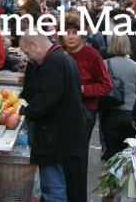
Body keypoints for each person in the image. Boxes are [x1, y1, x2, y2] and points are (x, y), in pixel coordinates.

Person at [18, 34, 88, 202]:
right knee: (56, 185)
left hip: (54, 136)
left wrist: (26, 111)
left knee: (53, 188)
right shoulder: (62, 58)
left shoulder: (53, 61)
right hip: (64, 134)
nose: (29, 58)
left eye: (27, 53)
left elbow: (48, 98)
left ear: (34, 44)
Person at [57, 13, 113, 146]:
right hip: (60, 111)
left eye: (75, 32)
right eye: (67, 32)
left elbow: (106, 85)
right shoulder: (58, 53)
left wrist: (82, 89)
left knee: (78, 154)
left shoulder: (92, 55)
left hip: (84, 112)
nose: (71, 37)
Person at [101, 35, 136, 161]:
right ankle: (126, 180)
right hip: (130, 114)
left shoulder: (104, 64)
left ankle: (112, 179)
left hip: (110, 113)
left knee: (112, 153)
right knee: (128, 154)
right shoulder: (135, 66)